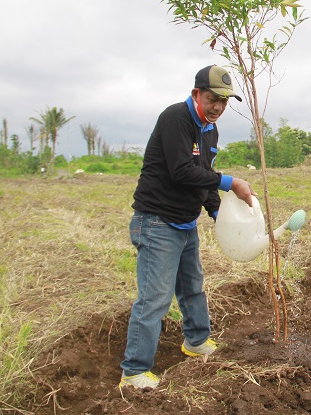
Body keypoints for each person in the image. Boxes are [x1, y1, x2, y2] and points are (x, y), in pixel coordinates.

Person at [119, 65, 255, 390]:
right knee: (155, 298)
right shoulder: (175, 118)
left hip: (184, 223)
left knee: (193, 286)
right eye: (213, 99)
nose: (218, 107)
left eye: (224, 102)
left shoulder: (210, 130)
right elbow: (182, 171)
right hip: (156, 222)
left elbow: (203, 174)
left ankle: (196, 342)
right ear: (197, 94)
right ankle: (134, 372)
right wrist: (230, 182)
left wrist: (217, 212)